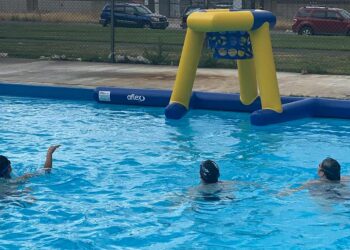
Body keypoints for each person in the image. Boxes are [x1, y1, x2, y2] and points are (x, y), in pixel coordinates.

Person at [279, 157, 348, 198]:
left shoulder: (312, 183)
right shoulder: (346, 179)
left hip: (328, 199)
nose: (317, 167)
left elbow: (292, 191)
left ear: (321, 173)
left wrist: (277, 194)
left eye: (319, 166)